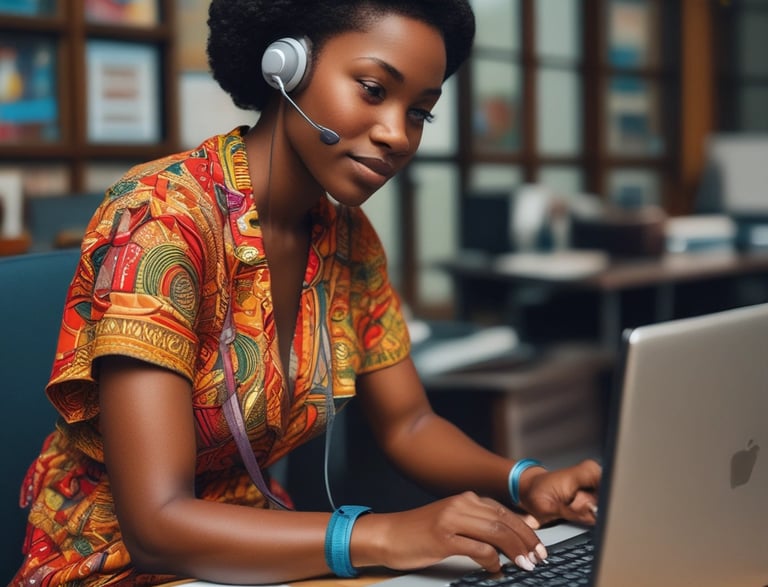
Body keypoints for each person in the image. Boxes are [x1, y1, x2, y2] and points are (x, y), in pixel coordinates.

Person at [12, 1, 601, 585]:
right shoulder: (161, 222)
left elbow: (409, 425)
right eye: (372, 88)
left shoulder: (349, 238)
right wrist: (386, 535)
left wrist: (525, 480)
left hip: (261, 560)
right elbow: (156, 525)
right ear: (285, 67)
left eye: (420, 112)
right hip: (113, 569)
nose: (397, 134)